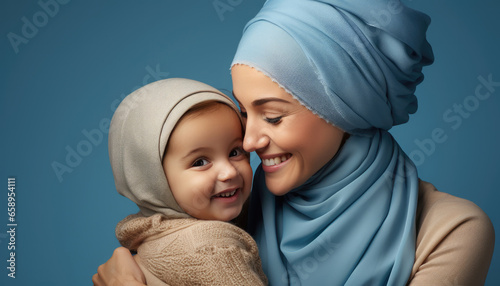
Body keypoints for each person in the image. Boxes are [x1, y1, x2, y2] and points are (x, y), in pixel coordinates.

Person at [93, 0, 495, 285]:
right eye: (244, 113)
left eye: (272, 116)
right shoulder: (228, 212)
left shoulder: (449, 229)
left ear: (345, 108)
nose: (248, 142)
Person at [101, 78, 267, 286]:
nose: (228, 172)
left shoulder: (153, 236)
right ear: (154, 180)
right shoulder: (214, 247)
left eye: (235, 152)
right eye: (200, 162)